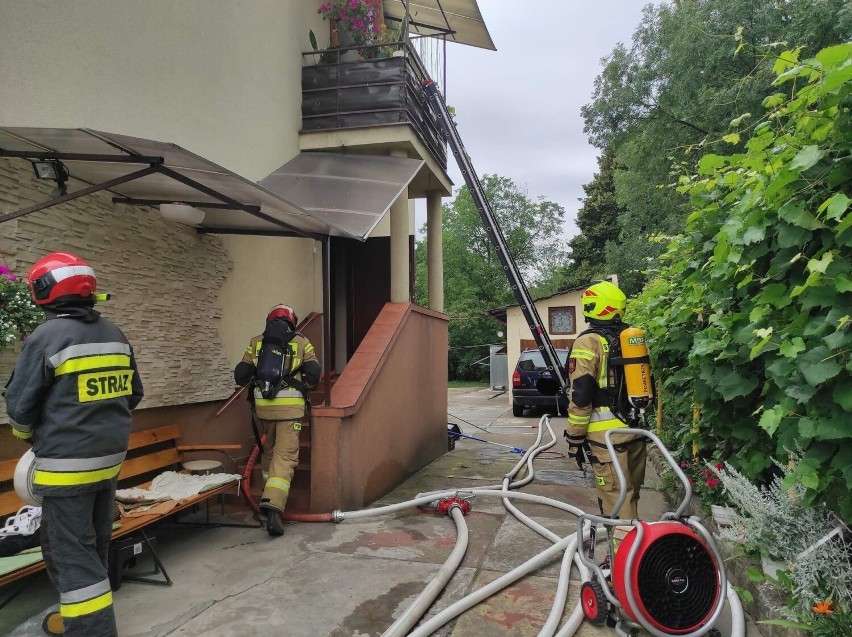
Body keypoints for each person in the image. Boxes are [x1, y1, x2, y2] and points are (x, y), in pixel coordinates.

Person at [3, 252, 144, 637]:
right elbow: (133, 395)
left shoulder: (47, 337)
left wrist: (29, 438)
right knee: (92, 547)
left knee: (71, 556)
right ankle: (83, 618)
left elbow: (19, 406)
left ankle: (90, 629)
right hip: (109, 464)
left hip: (66, 469)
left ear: (44, 292)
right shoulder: (115, 335)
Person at [233, 304, 320, 536]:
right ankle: (273, 506)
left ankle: (265, 497)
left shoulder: (256, 342)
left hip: (264, 409)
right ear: (293, 321)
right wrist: (300, 384)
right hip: (290, 410)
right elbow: (314, 375)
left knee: (269, 452)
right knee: (286, 456)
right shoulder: (302, 342)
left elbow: (240, 375)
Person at [564, 280, 647, 520]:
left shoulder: (588, 341)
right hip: (636, 431)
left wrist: (574, 440)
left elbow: (581, 396)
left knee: (617, 503)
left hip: (607, 438)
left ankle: (622, 556)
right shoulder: (631, 338)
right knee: (631, 497)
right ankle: (633, 550)